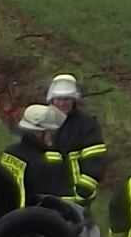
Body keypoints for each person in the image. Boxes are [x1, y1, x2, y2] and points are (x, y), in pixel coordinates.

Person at [45, 74, 106, 204]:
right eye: (58, 99)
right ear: (51, 100)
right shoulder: (42, 121)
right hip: (46, 196)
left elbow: (95, 161)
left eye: (66, 99)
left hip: (76, 199)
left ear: (74, 100)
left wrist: (83, 190)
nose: (62, 103)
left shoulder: (86, 125)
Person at [3, 104, 71, 208]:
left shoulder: (9, 152)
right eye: (50, 131)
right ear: (38, 133)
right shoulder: (41, 165)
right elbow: (47, 205)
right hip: (25, 221)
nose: (53, 135)